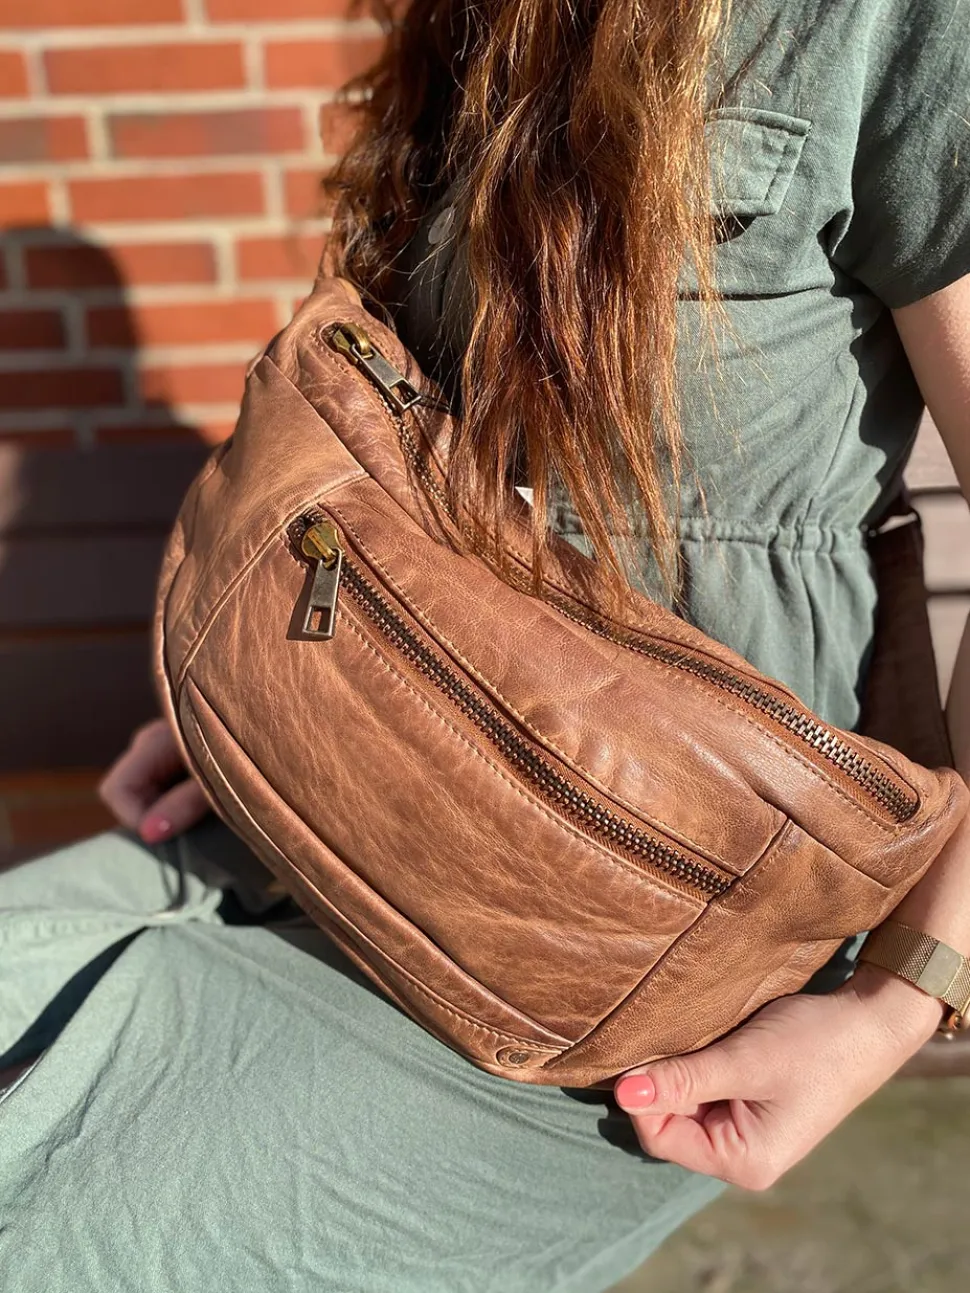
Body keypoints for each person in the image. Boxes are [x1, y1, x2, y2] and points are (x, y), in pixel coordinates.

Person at [2, 1, 969, 1289]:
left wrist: (899, 1001)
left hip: (645, 968)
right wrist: (267, 678)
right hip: (333, 802)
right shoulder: (483, 18)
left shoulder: (889, 25)